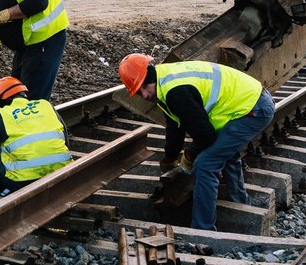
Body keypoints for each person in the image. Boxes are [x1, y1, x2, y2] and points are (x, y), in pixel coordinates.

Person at [118, 53, 275, 231]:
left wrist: (189, 155)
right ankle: (240, 202)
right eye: (138, 92)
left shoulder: (175, 92)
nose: (145, 94)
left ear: (151, 75)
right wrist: (170, 157)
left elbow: (206, 136)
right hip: (249, 101)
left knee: (205, 164)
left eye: (145, 86)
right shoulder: (162, 81)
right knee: (223, 152)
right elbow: (175, 124)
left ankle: (203, 230)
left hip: (254, 109)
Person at [0, 76, 72, 195]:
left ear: (1, 102)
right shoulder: (46, 106)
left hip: (23, 182)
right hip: (62, 173)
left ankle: (1, 192)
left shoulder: (2, 116)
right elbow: (65, 141)